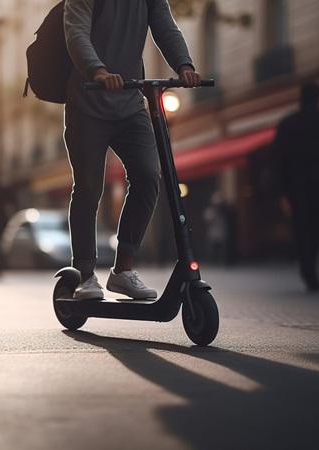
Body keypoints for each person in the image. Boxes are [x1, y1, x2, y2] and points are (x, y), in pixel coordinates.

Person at [63, 0, 202, 300]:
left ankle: (123, 271)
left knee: (149, 175)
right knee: (88, 188)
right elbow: (76, 33)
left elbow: (165, 26)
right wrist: (97, 70)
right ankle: (86, 276)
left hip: (129, 104)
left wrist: (184, 64)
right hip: (88, 104)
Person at [272, 82, 319, 292]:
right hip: (317, 180)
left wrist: (282, 186)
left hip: (299, 182)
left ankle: (307, 264)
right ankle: (308, 264)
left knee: (303, 224)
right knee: (316, 223)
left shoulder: (290, 122)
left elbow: (278, 156)